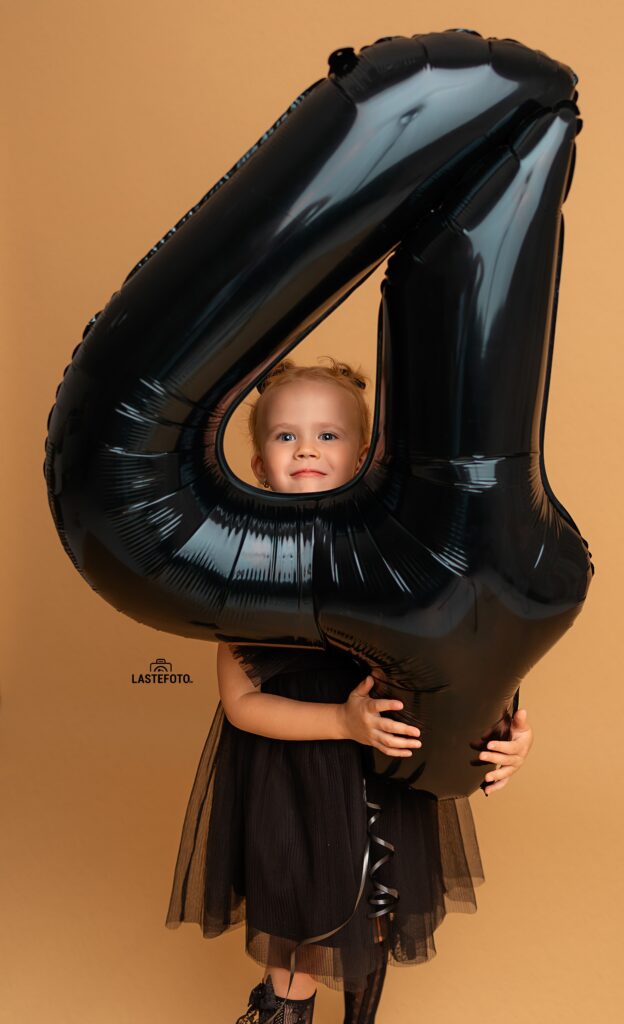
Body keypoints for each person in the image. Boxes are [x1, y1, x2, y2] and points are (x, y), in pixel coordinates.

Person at [165, 356, 535, 1024]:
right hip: (291, 779)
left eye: (327, 435)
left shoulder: (400, 555)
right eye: (284, 436)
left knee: (375, 918)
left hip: (387, 770)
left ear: (365, 457)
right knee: (296, 937)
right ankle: (283, 1012)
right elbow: (241, 703)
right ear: (255, 466)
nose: (306, 447)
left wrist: (507, 727)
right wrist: (340, 721)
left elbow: (471, 651)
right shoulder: (246, 566)